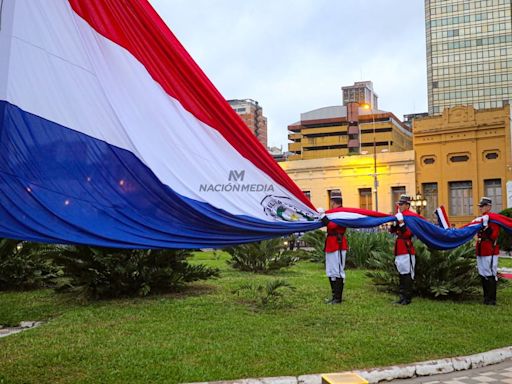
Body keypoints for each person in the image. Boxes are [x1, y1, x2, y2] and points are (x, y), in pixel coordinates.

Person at [320, 192, 348, 304]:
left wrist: (323, 217)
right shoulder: (335, 212)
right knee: (331, 271)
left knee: (338, 271)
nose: (331, 204)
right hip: (332, 243)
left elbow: (332, 225)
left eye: (331, 202)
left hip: (338, 243)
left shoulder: (341, 213)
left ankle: (338, 298)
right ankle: (334, 296)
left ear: (334, 202)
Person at [389, 194, 415, 305]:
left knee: (406, 273)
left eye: (402, 204)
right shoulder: (401, 216)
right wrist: (395, 224)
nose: (400, 206)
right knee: (401, 272)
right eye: (399, 204)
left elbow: (409, 233)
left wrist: (401, 223)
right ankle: (402, 297)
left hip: (406, 247)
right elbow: (392, 231)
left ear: (407, 205)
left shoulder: (411, 217)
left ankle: (407, 298)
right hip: (400, 247)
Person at [475, 197, 500, 305]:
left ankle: (492, 299)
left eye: (483, 206)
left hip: (490, 249)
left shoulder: (493, 220)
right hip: (481, 249)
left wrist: (486, 226)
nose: (481, 208)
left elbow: (494, 235)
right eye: (480, 206)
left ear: (489, 207)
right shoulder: (481, 219)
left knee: (490, 273)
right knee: (482, 272)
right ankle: (486, 298)